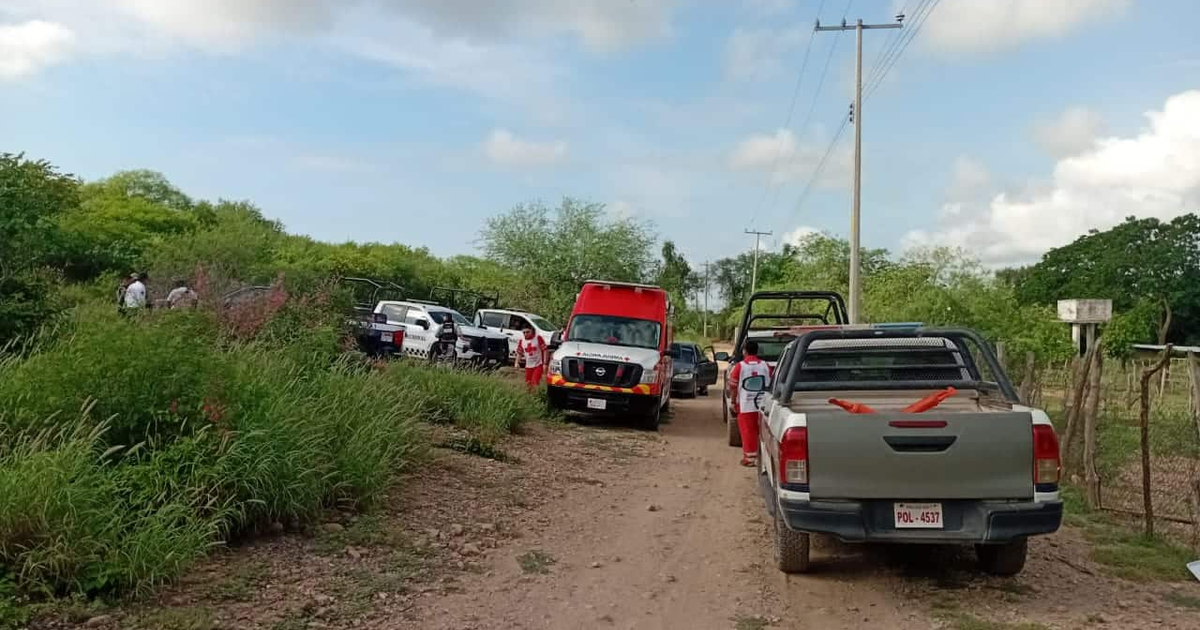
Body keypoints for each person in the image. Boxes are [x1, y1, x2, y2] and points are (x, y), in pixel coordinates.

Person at [729, 340, 772, 467]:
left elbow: (733, 386)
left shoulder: (740, 367)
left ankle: (749, 458)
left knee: (747, 431)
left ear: (744, 351)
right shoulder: (765, 365)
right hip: (763, 405)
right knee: (763, 431)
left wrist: (733, 401)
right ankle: (763, 459)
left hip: (745, 404)